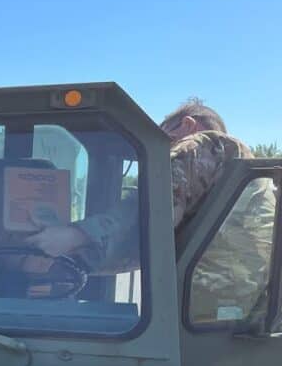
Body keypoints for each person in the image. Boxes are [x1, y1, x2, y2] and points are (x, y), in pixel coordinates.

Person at [24, 100, 276, 321]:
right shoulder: (234, 180)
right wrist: (72, 262)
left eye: (163, 136)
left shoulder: (207, 144)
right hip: (234, 313)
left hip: (204, 307)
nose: (162, 151)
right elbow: (147, 244)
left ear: (187, 125)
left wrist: (75, 235)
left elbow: (151, 207)